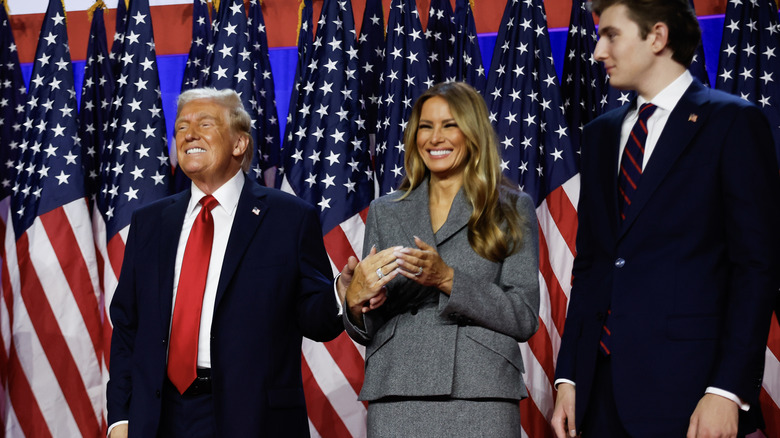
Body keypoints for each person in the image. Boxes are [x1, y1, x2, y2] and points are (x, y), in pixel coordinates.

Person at [551, 1, 780, 437]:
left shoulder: (732, 121)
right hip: (598, 396)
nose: (598, 51)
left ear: (657, 37)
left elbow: (757, 268)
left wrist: (727, 390)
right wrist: (570, 377)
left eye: (611, 35)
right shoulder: (600, 134)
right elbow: (593, 266)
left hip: (692, 392)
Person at [106, 88, 343, 437]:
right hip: (158, 418)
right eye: (182, 127)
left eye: (205, 124)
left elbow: (316, 319)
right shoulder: (149, 223)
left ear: (239, 144)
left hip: (252, 419)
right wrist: (121, 418)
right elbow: (128, 327)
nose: (189, 134)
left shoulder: (288, 218)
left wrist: (341, 294)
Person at [337, 81, 540, 436]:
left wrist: (447, 278)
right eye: (426, 127)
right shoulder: (385, 211)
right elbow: (370, 324)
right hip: (397, 389)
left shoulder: (511, 208)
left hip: (480, 391)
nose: (435, 138)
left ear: (473, 132)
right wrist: (355, 301)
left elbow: (523, 316)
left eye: (450, 125)